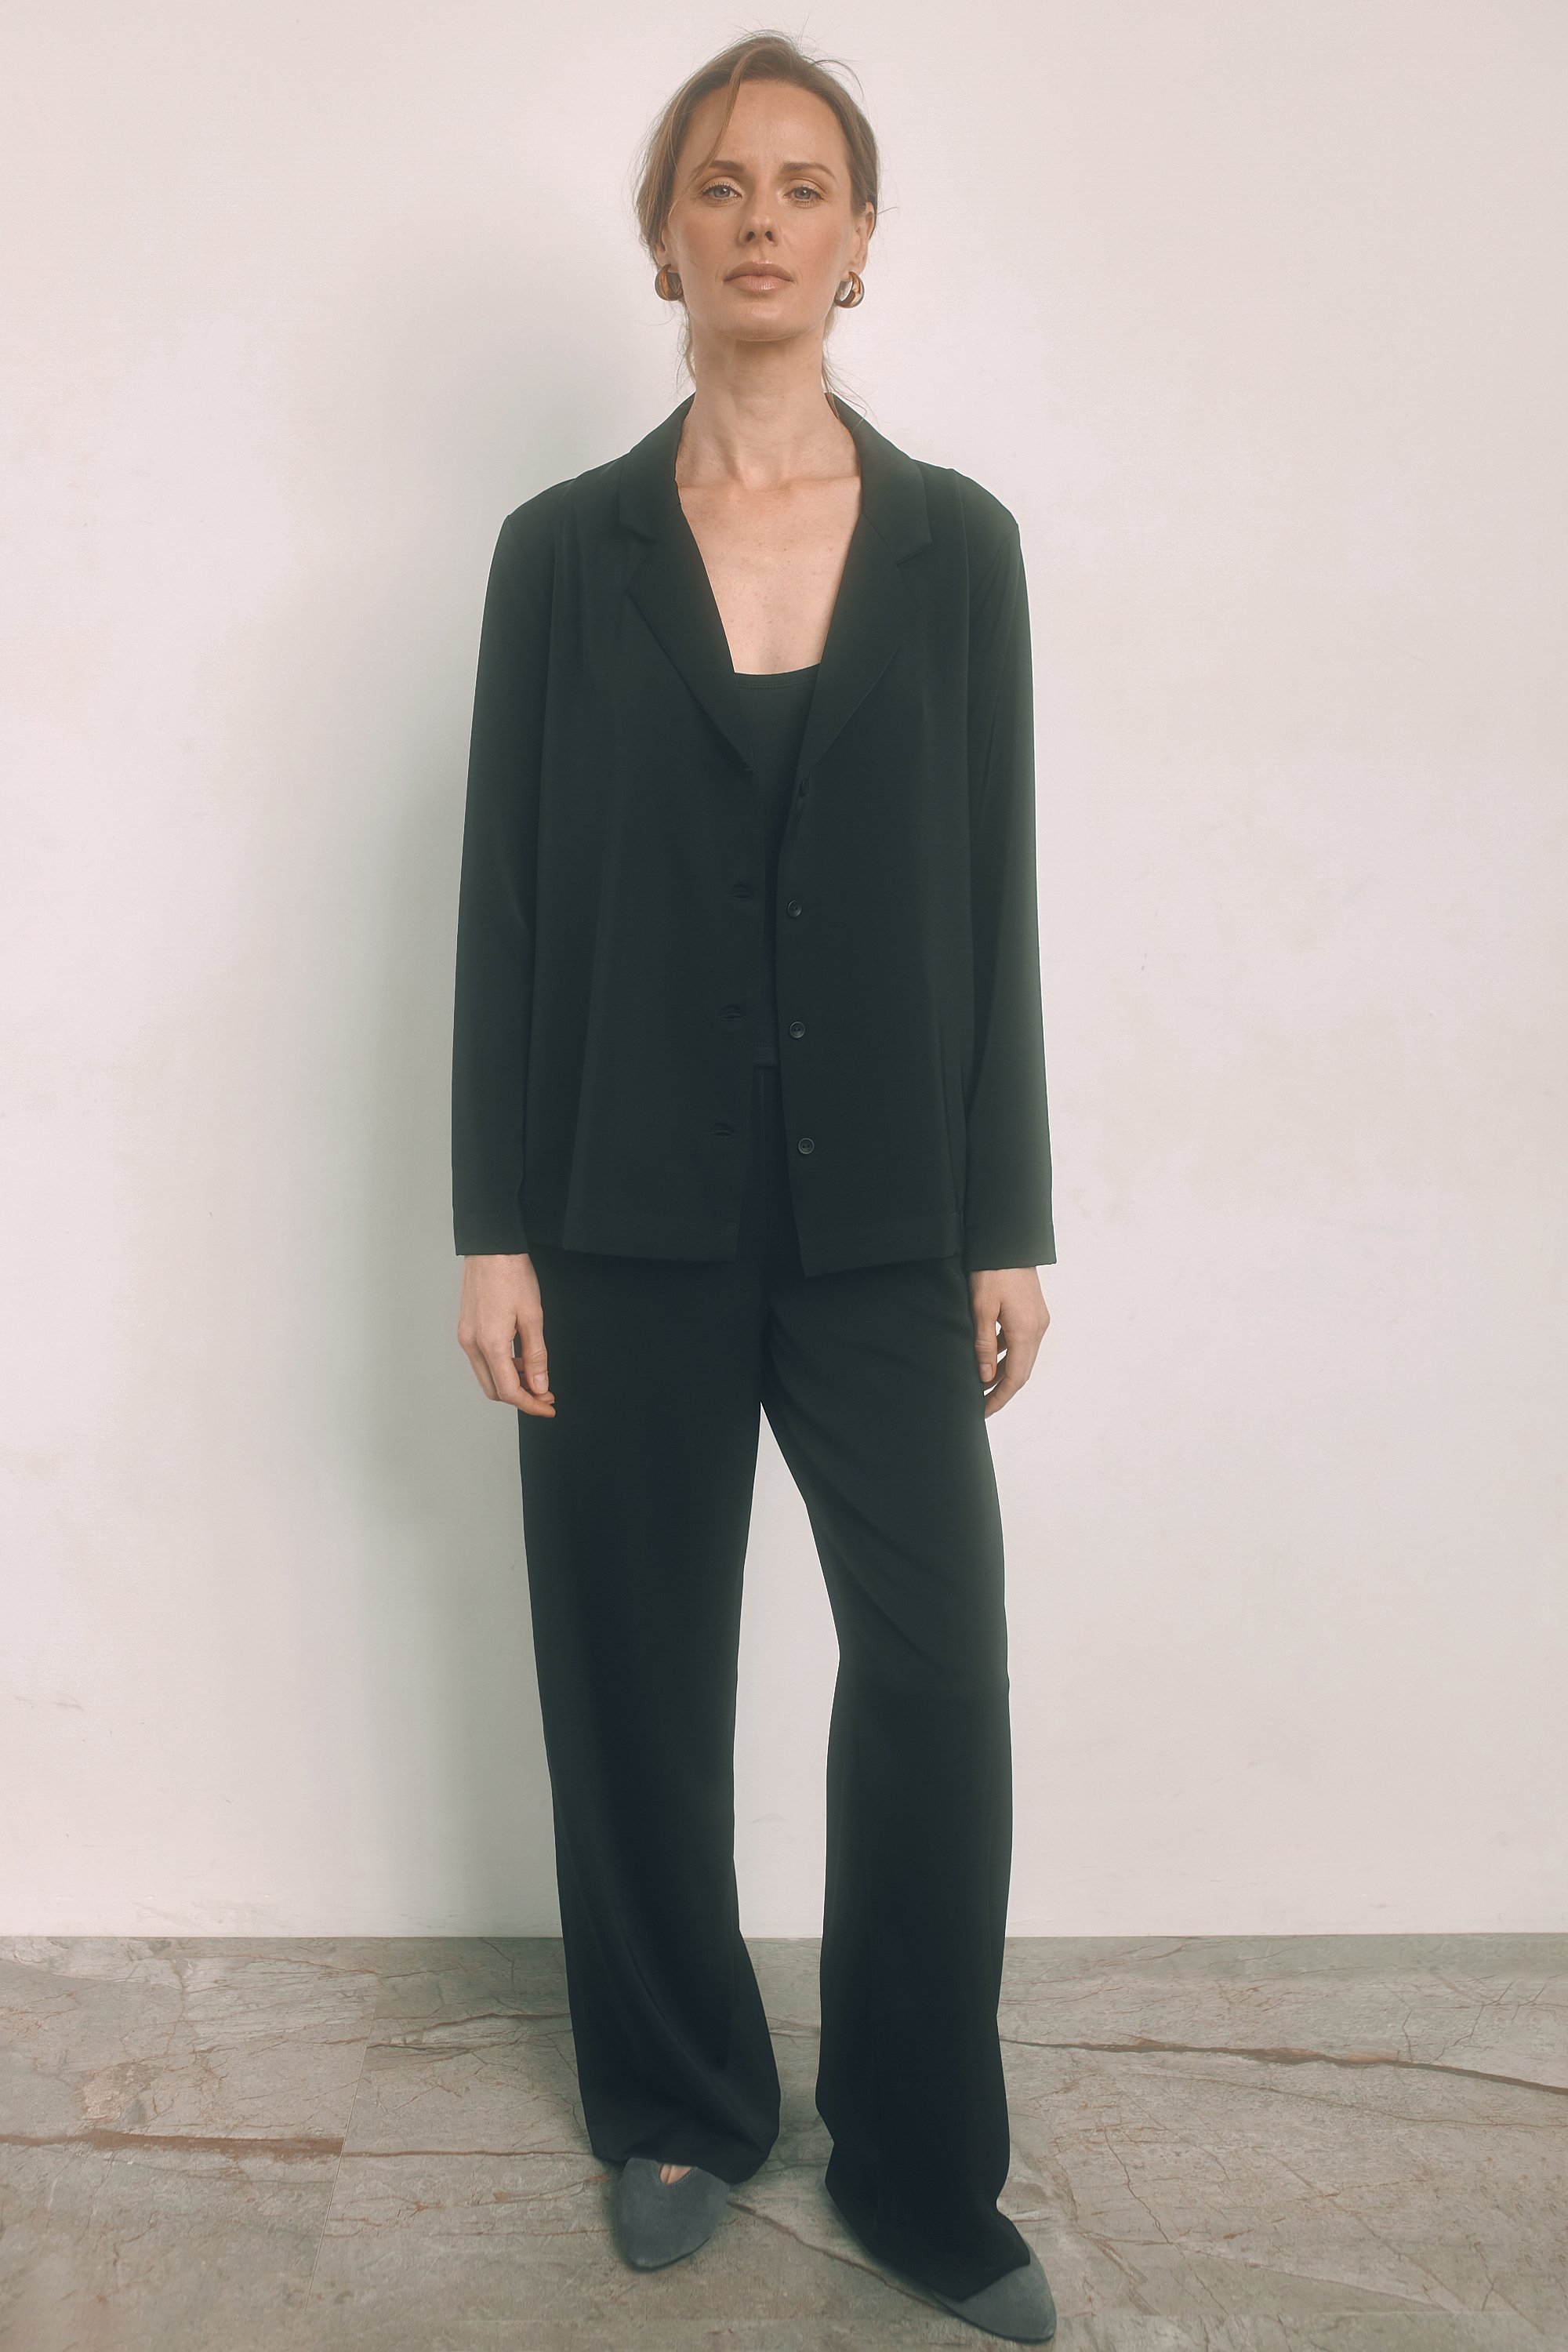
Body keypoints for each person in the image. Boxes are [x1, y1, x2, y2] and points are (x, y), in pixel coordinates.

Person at [452, 32, 1057, 2346]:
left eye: (807, 186)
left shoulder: (961, 548)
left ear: (863, 239)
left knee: (939, 1668)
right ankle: (681, 2101)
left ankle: (917, 2160)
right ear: (666, 240)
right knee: (632, 1667)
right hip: (617, 1205)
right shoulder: (559, 555)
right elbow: (507, 901)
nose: (764, 221)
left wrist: (1009, 1219)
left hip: (892, 1207)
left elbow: (994, 893)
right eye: (721, 186)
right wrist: (489, 1224)